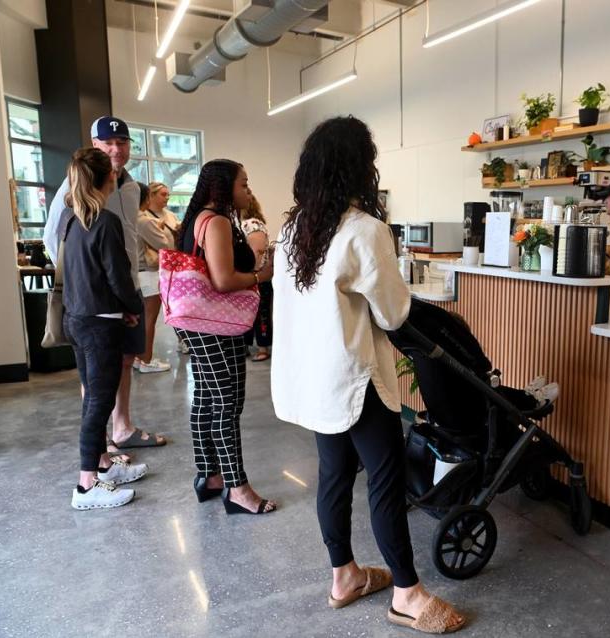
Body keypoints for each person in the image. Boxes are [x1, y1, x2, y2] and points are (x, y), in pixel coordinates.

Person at [271, 116, 465, 634]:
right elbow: (394, 313)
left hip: (313, 379)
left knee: (334, 475)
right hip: (355, 381)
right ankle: (406, 592)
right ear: (359, 167)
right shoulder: (364, 231)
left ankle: (345, 577)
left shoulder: (292, 231)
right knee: (384, 476)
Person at [45, 116, 167, 451]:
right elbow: (52, 235)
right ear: (94, 144)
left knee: (126, 358)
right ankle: (100, 442)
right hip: (96, 297)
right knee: (95, 373)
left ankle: (122, 427)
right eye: (108, 142)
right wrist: (82, 279)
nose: (116, 148)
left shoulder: (129, 187)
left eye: (122, 142)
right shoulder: (75, 188)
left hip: (128, 287)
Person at [175, 159, 276, 515]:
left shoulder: (199, 219)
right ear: (223, 188)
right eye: (243, 184)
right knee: (227, 403)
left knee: (206, 397)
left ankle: (210, 475)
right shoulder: (216, 222)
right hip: (215, 324)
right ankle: (237, 487)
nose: (248, 190)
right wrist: (262, 277)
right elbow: (222, 280)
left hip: (198, 321)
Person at [61, 148, 148, 510]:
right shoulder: (106, 221)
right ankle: (86, 486)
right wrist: (132, 309)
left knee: (93, 398)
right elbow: (116, 275)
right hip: (100, 324)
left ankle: (103, 464)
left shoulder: (72, 218)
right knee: (99, 402)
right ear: (108, 179)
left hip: (77, 319)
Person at [135, 182, 176, 373]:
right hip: (149, 274)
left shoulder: (130, 218)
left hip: (139, 273)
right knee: (149, 319)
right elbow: (165, 245)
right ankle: (146, 359)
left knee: (143, 318)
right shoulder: (144, 220)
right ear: (147, 197)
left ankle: (139, 357)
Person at [146, 181, 189, 355]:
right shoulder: (144, 218)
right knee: (152, 314)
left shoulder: (170, 215)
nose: (167, 197)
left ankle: (183, 339)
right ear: (151, 195)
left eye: (168, 194)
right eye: (163, 194)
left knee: (177, 305)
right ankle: (144, 354)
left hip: (174, 266)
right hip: (154, 268)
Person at [239, 195, 272, 362]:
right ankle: (247, 345)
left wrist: (252, 274)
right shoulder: (244, 223)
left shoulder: (251, 224)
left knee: (260, 314)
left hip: (257, 276)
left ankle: (262, 347)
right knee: (247, 312)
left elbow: (257, 254)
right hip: (251, 276)